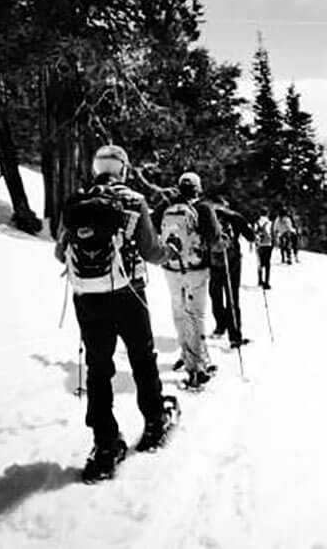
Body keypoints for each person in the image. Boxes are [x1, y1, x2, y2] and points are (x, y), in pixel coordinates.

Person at [55, 145, 171, 482]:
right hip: (128, 292)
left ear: (96, 168)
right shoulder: (133, 200)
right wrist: (169, 252)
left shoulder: (76, 202)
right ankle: (153, 422)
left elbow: (60, 253)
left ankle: (105, 444)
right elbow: (151, 250)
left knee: (98, 366)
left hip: (88, 299)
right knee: (141, 356)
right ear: (122, 169)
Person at [158, 171, 221, 389]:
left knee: (179, 312)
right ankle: (196, 369)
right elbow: (214, 237)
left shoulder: (167, 206)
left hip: (171, 267)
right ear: (198, 187)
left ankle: (186, 355)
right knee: (196, 315)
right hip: (196, 268)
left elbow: (155, 227)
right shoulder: (203, 207)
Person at [209, 196, 255, 348]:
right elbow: (251, 237)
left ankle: (220, 326)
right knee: (232, 297)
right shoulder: (235, 217)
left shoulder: (206, 215)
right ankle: (235, 335)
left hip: (213, 262)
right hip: (232, 262)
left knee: (215, 295)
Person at [254, 207, 274, 289]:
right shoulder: (269, 222)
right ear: (267, 213)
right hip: (268, 244)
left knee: (259, 262)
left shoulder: (256, 222)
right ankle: (266, 282)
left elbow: (254, 233)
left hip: (259, 244)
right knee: (267, 263)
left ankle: (260, 280)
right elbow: (271, 233)